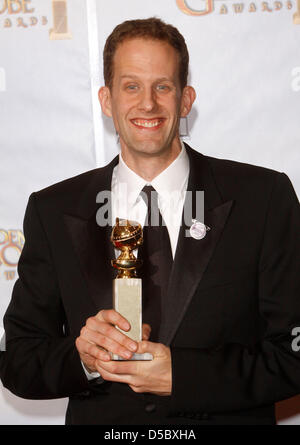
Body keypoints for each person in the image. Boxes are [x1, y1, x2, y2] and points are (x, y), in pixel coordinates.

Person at [1, 17, 300, 426]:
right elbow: (18, 358)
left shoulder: (262, 198)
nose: (148, 104)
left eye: (163, 86)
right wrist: (83, 358)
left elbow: (293, 354)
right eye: (131, 87)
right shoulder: (52, 210)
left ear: (185, 99)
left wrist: (183, 376)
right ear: (107, 101)